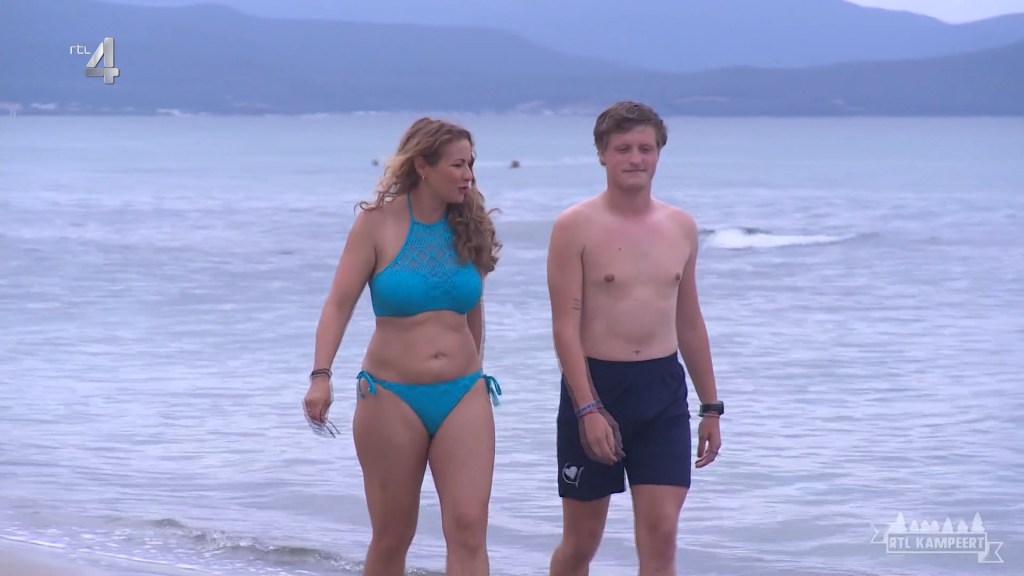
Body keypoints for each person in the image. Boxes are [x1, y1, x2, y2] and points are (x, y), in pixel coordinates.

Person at [302, 117, 503, 576]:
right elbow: (338, 305)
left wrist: (475, 369)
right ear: (422, 166)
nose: (468, 175)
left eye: (471, 164)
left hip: (463, 393)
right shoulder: (376, 224)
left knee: (469, 528)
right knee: (393, 535)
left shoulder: (469, 224)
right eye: (457, 164)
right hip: (390, 396)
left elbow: (473, 309)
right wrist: (321, 376)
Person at [545, 101, 724, 576]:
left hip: (662, 390)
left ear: (659, 153)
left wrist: (711, 407)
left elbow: (690, 321)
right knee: (581, 542)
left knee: (661, 536)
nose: (635, 158)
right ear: (602, 154)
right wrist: (587, 408)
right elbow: (564, 325)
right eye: (623, 148)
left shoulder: (681, 227)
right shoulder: (574, 226)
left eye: (646, 148)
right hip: (596, 385)